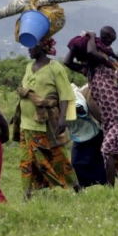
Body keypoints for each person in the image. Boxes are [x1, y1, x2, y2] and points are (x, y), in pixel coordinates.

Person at [64, 27, 118, 192]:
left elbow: (92, 52)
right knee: (109, 152)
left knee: (107, 150)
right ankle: (114, 186)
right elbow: (68, 61)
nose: (108, 43)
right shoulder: (93, 70)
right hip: (105, 122)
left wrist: (91, 37)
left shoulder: (106, 64)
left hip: (117, 121)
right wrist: (75, 51)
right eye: (107, 39)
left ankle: (109, 189)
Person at [13, 36, 81, 199]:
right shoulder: (29, 66)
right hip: (26, 124)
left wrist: (62, 118)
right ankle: (27, 194)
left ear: (42, 47)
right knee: (26, 160)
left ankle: (75, 186)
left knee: (58, 158)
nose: (29, 49)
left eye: (32, 46)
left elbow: (65, 94)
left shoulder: (54, 68)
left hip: (45, 125)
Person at [66, 85, 107, 188]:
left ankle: (104, 185)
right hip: (80, 134)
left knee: (95, 161)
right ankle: (82, 186)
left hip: (92, 130)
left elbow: (81, 108)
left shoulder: (72, 92)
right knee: (77, 162)